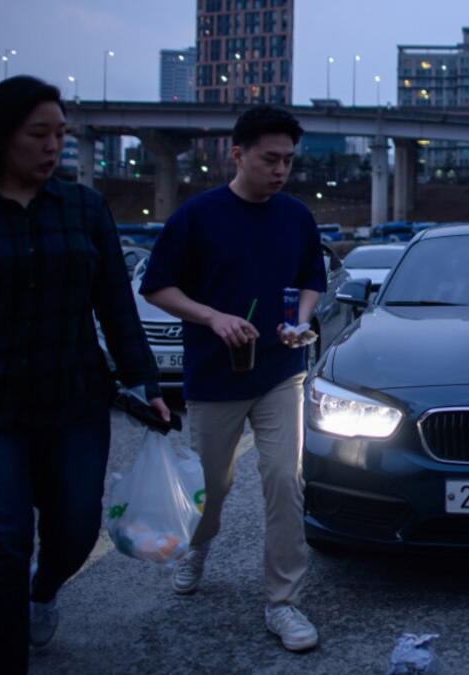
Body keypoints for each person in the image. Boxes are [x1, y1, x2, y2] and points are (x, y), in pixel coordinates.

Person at [0, 76, 168, 674]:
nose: (54, 144)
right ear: (1, 137)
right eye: (40, 133)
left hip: (73, 401)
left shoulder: (83, 208)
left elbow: (115, 299)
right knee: (0, 549)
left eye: (61, 132)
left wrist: (145, 383)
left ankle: (44, 588)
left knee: (78, 528)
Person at [140, 105, 327, 652]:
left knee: (283, 480)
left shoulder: (296, 216)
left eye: (289, 161)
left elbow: (311, 280)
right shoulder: (197, 218)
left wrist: (300, 321)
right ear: (237, 153)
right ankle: (198, 546)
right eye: (270, 159)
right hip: (214, 377)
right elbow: (158, 287)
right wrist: (212, 317)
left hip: (279, 371)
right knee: (213, 488)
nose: (281, 171)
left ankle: (283, 602)